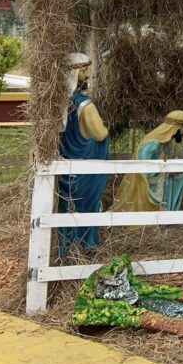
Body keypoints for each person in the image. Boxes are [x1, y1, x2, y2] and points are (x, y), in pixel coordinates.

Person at [57, 53, 110, 255]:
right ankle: (86, 245)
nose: (88, 75)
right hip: (85, 167)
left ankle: (65, 245)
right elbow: (100, 134)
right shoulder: (85, 106)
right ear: (76, 74)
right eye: (85, 71)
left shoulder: (58, 103)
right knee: (87, 205)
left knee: (66, 205)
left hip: (65, 164)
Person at [113, 111, 183, 211]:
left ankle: (172, 210)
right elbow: (144, 171)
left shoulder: (166, 143)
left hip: (162, 178)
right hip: (149, 185)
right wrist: (167, 170)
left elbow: (163, 161)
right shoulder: (152, 145)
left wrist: (172, 165)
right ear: (176, 128)